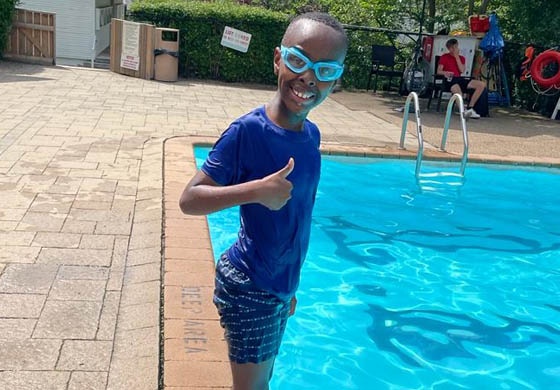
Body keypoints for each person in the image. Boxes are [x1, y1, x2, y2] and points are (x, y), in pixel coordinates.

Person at [179, 12, 347, 390]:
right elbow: (190, 200)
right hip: (249, 284)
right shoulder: (248, 132)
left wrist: (291, 287)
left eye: (324, 69)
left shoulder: (311, 136)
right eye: (298, 61)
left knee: (264, 378)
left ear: (336, 79)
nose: (308, 78)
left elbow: (297, 223)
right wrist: (255, 190)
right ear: (278, 59)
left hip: (277, 286)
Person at [438, 38, 487, 118]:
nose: (454, 49)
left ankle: (470, 108)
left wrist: (457, 57)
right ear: (449, 49)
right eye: (452, 48)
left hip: (460, 78)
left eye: (456, 47)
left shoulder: (461, 58)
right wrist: (445, 72)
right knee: (457, 89)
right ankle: (463, 110)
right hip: (449, 80)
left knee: (481, 84)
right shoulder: (444, 57)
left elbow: (462, 70)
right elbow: (439, 71)